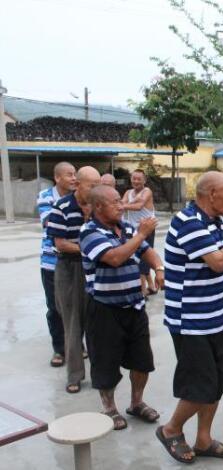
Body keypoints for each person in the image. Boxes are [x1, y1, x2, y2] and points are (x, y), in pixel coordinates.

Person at [156, 172, 223, 464]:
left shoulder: (212, 222)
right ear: (211, 194)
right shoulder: (188, 222)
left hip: (212, 317)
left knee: (215, 383)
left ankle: (203, 439)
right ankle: (171, 429)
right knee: (200, 385)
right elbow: (217, 262)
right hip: (189, 321)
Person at [80, 185, 163, 430]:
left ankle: (136, 403)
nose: (120, 205)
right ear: (98, 207)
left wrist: (159, 268)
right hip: (105, 309)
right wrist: (140, 235)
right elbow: (115, 258)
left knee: (142, 361)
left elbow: (147, 252)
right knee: (105, 363)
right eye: (114, 202)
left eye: (120, 201)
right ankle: (109, 408)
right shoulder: (89, 232)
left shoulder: (126, 228)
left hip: (135, 306)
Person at [47, 166, 101, 393]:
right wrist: (90, 249)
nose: (96, 189)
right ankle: (75, 376)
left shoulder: (100, 205)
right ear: (78, 184)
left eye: (99, 184)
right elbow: (60, 243)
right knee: (72, 323)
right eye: (92, 185)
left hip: (96, 268)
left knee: (98, 323)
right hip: (70, 269)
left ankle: (101, 376)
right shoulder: (62, 207)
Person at [37, 161, 77, 368]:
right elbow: (49, 222)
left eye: (75, 174)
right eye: (69, 175)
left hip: (76, 261)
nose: (73, 178)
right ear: (57, 177)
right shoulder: (45, 197)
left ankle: (76, 345)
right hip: (51, 262)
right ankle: (60, 349)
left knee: (76, 307)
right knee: (55, 308)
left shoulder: (77, 197)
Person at [122, 169, 157, 296]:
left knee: (143, 259)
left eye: (139, 179)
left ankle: (142, 291)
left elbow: (139, 206)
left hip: (147, 228)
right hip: (134, 230)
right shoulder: (128, 192)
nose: (136, 181)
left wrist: (124, 205)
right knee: (139, 258)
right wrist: (127, 203)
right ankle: (151, 286)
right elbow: (123, 203)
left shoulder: (147, 191)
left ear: (144, 180)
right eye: (134, 178)